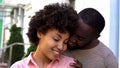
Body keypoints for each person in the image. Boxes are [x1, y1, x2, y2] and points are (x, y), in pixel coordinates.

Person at [10, 3, 81, 68]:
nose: (61, 47)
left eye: (65, 42)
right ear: (40, 33)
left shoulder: (71, 65)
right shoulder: (19, 66)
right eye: (56, 39)